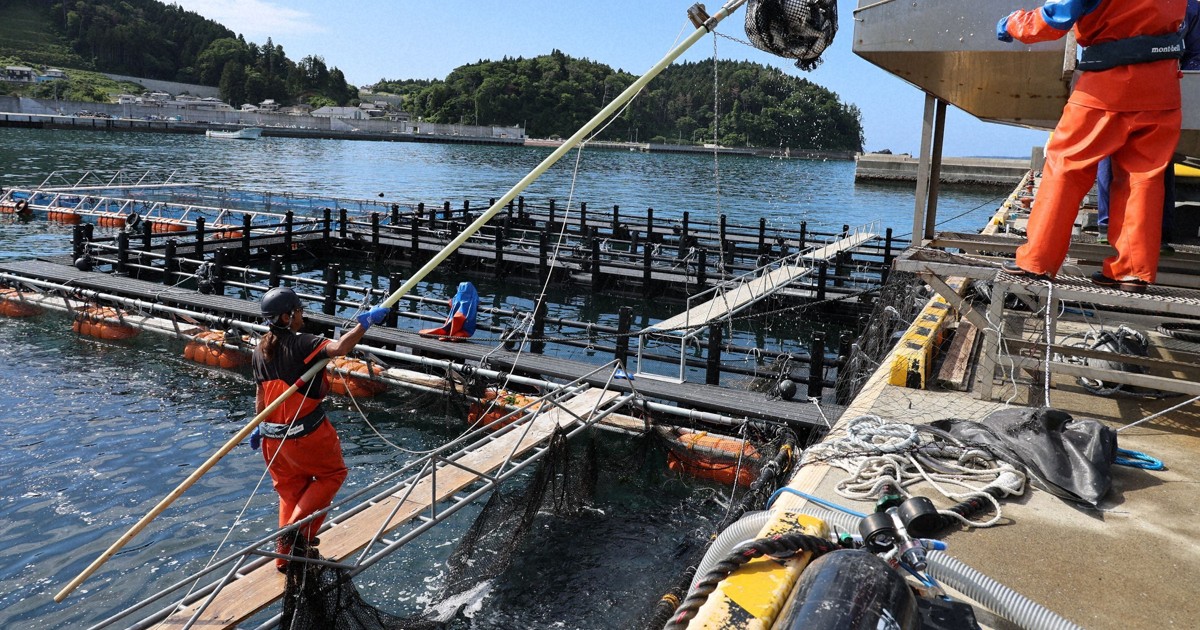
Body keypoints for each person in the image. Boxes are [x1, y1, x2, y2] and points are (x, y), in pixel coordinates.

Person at [997, 0, 1188, 292]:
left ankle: (1037, 262)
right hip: (1162, 85)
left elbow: (1057, 18)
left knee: (1066, 166)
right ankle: (1133, 273)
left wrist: (1013, 23)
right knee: (1143, 178)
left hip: (1107, 84)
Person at [251, 286, 390, 571]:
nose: (303, 314)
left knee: (290, 493)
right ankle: (295, 531)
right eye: (299, 310)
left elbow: (261, 398)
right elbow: (339, 349)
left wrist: (258, 426)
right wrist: (364, 324)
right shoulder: (303, 343)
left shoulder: (259, 351)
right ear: (288, 317)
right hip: (306, 434)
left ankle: (284, 557)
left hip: (272, 439)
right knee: (332, 475)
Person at [1094, 0, 1200, 251]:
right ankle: (1118, 228)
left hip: (1146, 88)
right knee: (1128, 155)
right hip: (1135, 87)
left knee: (1156, 160)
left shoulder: (1191, 9)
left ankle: (1151, 230)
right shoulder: (1190, 8)